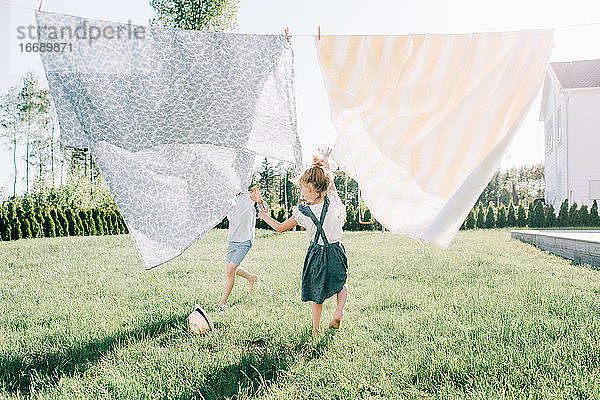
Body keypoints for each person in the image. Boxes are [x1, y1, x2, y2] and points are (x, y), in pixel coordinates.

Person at [258, 149, 349, 336]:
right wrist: (326, 161)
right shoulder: (332, 200)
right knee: (342, 285)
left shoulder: (303, 212)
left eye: (301, 188)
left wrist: (264, 216)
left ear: (308, 188)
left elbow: (281, 227)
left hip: (317, 255)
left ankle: (315, 330)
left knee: (318, 295)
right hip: (336, 251)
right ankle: (338, 312)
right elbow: (330, 181)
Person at [218, 188, 263, 310]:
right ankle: (251, 277)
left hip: (245, 239)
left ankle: (223, 303)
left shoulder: (249, 196)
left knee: (230, 271)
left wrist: (259, 202)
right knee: (232, 270)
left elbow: (264, 211)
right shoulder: (228, 197)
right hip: (232, 239)